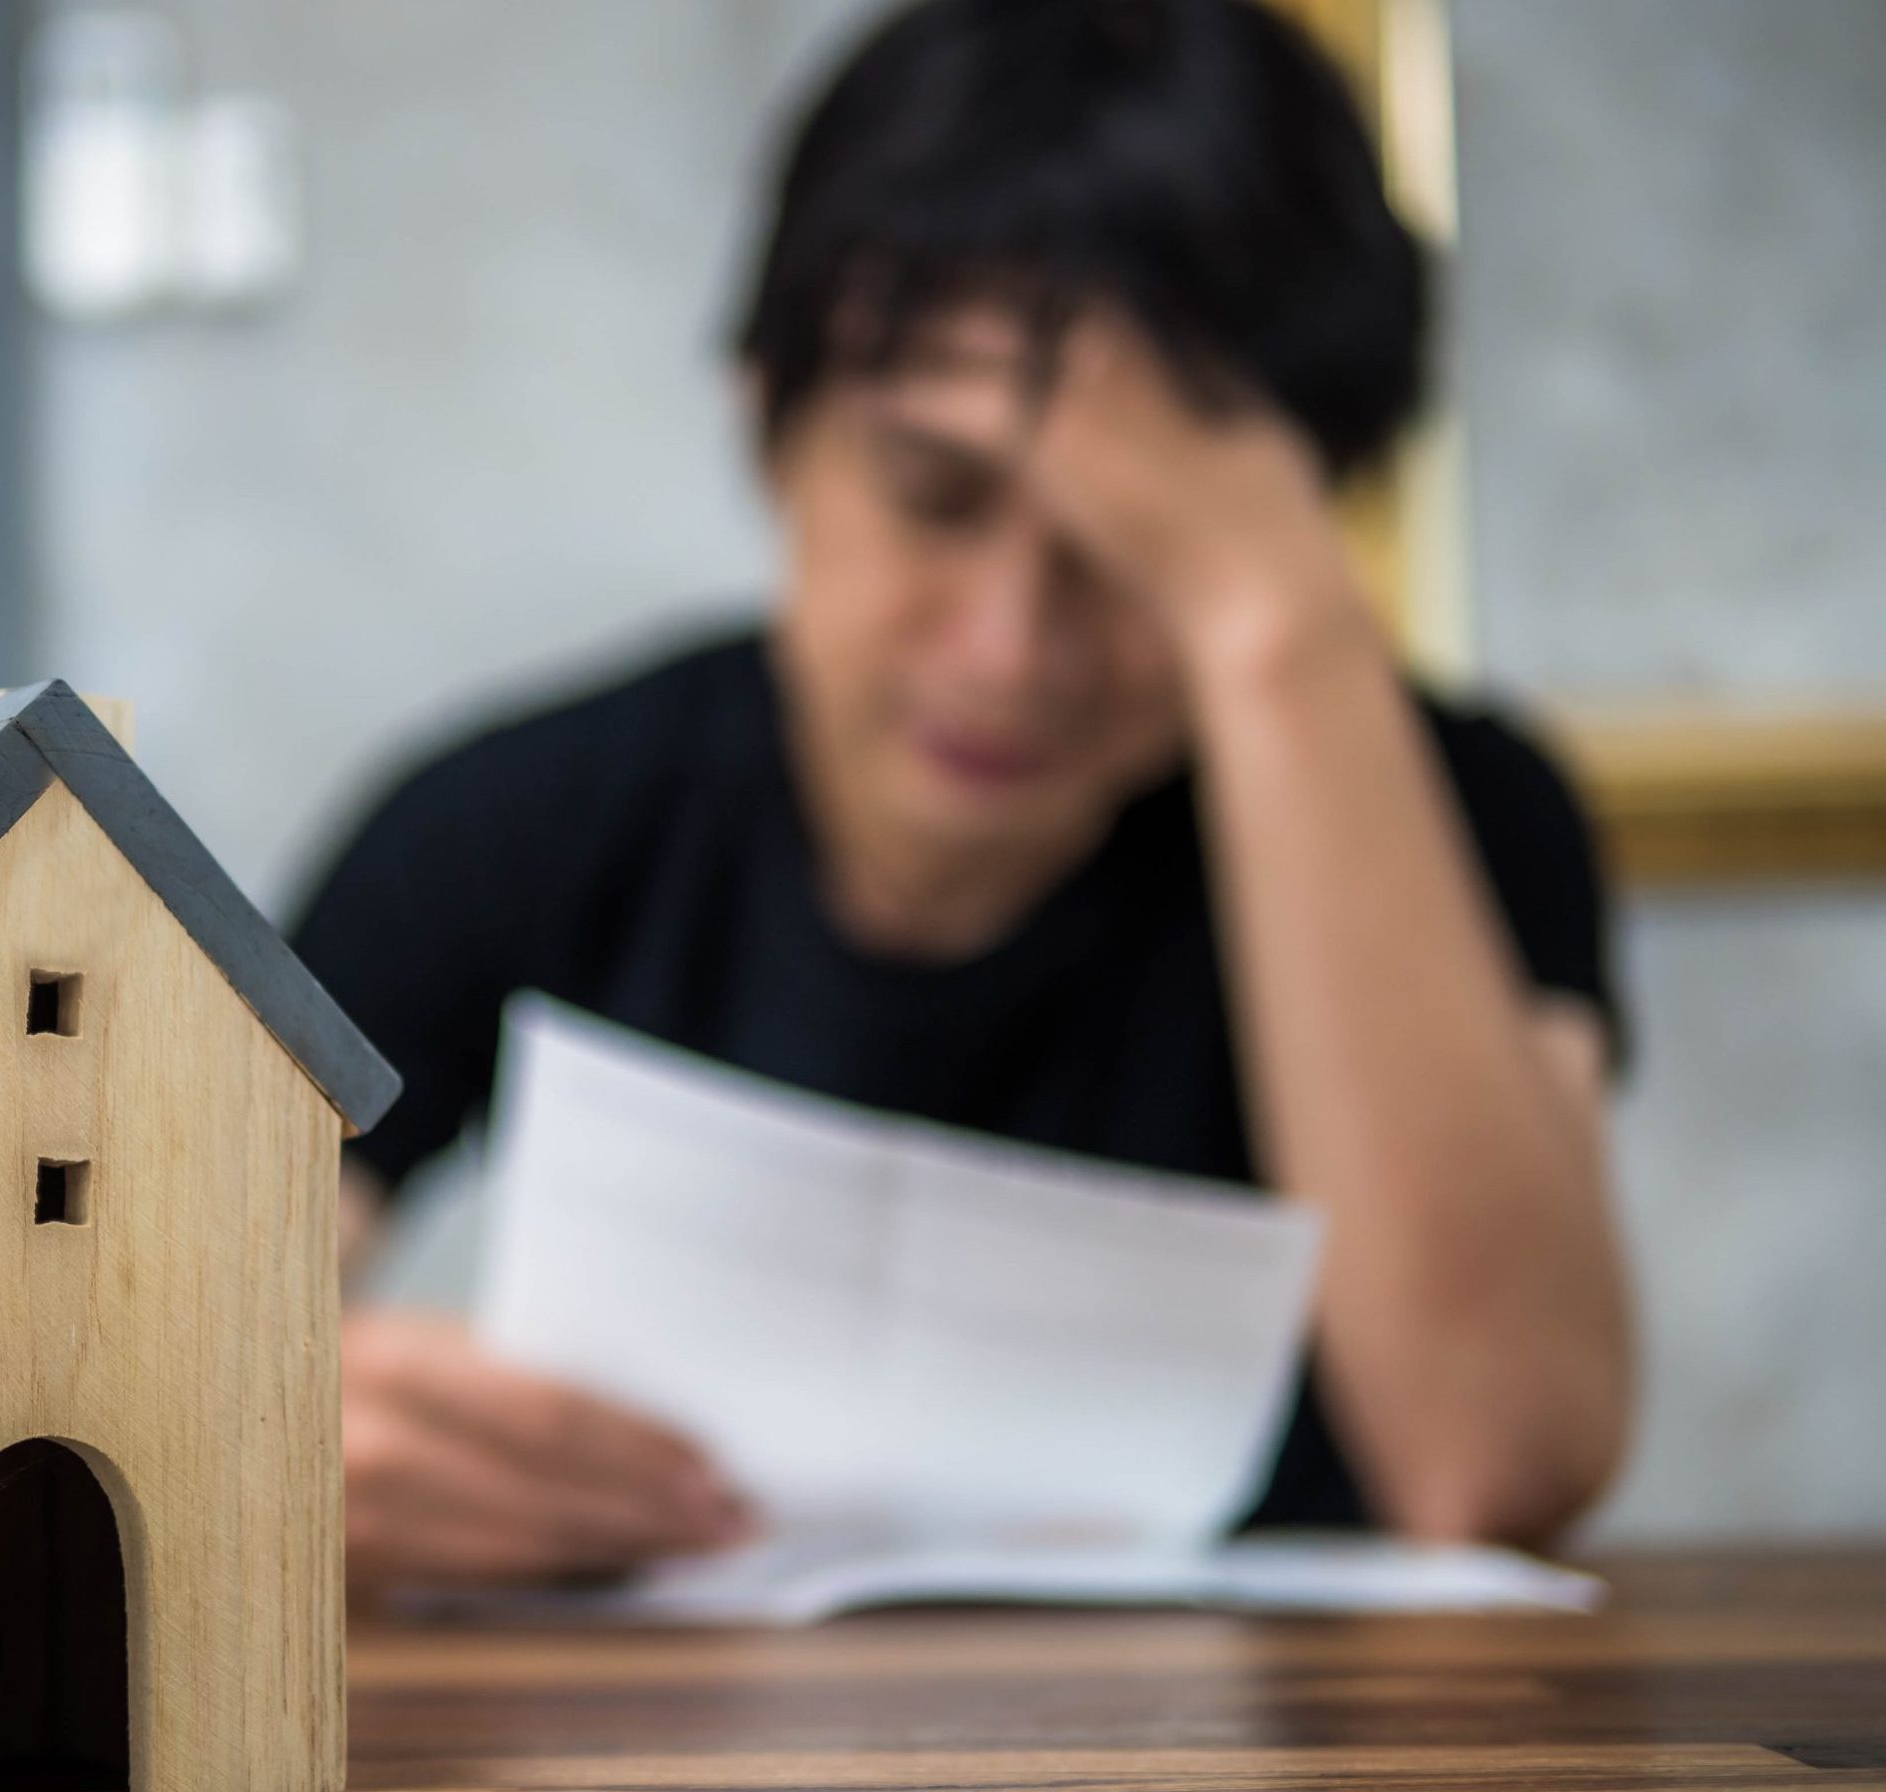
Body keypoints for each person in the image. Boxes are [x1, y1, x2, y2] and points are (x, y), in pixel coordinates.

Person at [291, 0, 1632, 1593]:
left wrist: (1275, 623)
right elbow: (137, 1356)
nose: (1010, 651)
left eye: (1137, 553)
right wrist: (284, 1430)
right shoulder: (515, 821)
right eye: (935, 497)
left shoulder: (1461, 813)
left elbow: (1497, 1460)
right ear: (767, 422)